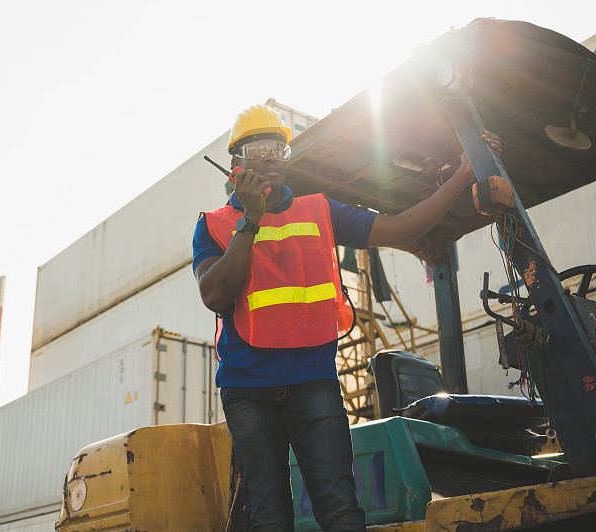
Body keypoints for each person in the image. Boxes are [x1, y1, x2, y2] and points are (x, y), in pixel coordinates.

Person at [192, 104, 501, 531]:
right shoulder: (214, 225)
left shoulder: (321, 210)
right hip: (248, 389)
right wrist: (251, 219)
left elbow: (401, 228)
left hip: (312, 380)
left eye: (279, 147)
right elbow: (214, 294)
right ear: (235, 163)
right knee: (268, 513)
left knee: (339, 504)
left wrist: (464, 174)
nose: (270, 156)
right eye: (259, 147)